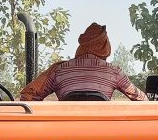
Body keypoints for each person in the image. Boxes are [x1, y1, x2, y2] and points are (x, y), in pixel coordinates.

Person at [19, 23, 148, 102]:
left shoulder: (59, 70)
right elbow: (142, 100)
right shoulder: (114, 72)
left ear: (82, 45)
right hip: (104, 139)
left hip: (63, 138)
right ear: (105, 47)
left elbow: (28, 95)